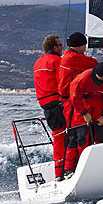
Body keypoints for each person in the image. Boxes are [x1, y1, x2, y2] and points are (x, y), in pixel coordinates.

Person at [63, 62, 103, 176]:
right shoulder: (81, 80)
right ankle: (71, 169)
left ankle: (101, 164)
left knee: (101, 136)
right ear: (101, 76)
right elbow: (75, 98)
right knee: (79, 138)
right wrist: (84, 113)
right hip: (80, 106)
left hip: (99, 106)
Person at [32, 35, 66, 180]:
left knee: (58, 137)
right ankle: (71, 168)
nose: (62, 47)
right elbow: (64, 83)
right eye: (60, 45)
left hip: (45, 105)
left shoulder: (37, 63)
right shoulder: (57, 61)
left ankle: (58, 173)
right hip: (58, 102)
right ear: (54, 48)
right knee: (73, 133)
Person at [58, 32, 98, 101]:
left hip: (66, 97)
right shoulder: (73, 58)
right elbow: (94, 63)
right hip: (71, 98)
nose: (85, 48)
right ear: (79, 46)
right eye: (84, 45)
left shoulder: (66, 55)